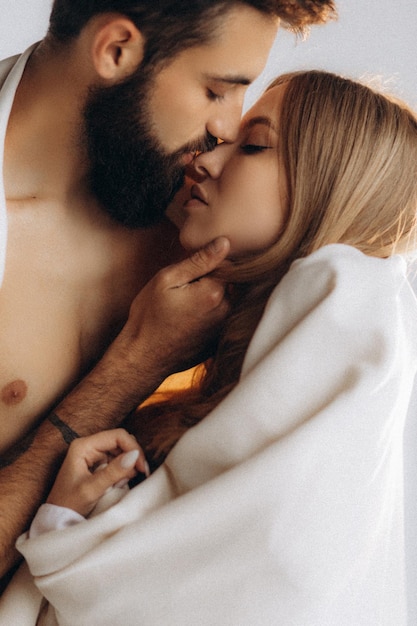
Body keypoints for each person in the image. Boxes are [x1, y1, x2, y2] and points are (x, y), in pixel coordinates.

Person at [2, 69, 416, 624]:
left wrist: (62, 525)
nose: (205, 159)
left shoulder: (352, 303)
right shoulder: (221, 350)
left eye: (253, 146)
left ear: (328, 187)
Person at [0, 0, 337, 585]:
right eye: (216, 91)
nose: (229, 126)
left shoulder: (203, 215)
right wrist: (133, 366)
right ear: (116, 50)